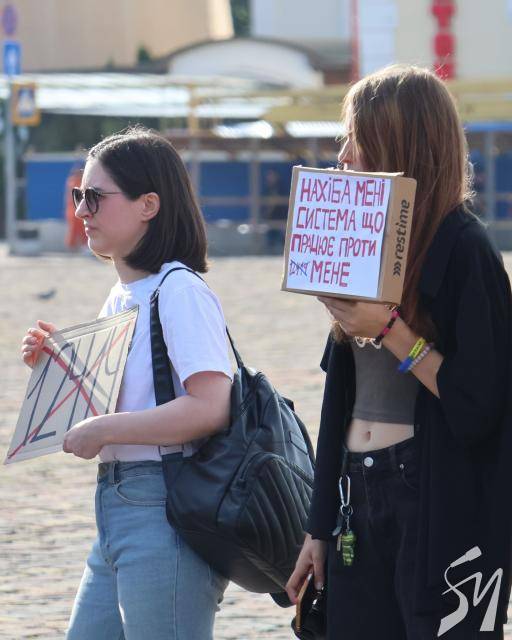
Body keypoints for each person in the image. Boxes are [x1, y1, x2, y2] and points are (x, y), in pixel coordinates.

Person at [286, 65, 512, 639]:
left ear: (399, 143)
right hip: (355, 492)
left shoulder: (466, 248)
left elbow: (479, 407)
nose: (342, 155)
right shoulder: (363, 239)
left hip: (435, 494)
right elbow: (339, 397)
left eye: (356, 137)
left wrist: (390, 329)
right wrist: (318, 525)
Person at [20, 127, 233, 640]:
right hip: (118, 507)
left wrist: (106, 429)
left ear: (148, 205)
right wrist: (62, 367)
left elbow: (211, 406)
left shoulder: (179, 290)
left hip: (165, 506)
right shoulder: (123, 294)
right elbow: (126, 396)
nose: (81, 210)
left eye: (95, 196)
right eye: (79, 195)